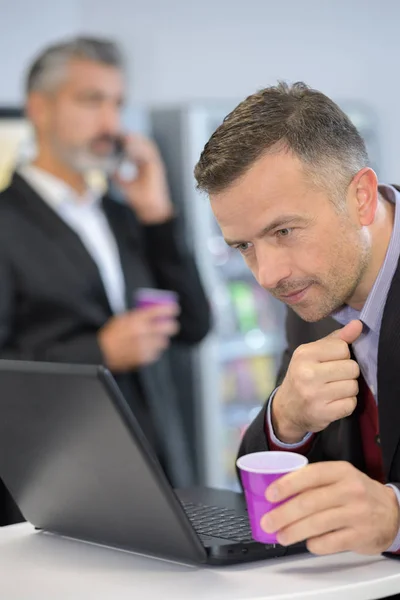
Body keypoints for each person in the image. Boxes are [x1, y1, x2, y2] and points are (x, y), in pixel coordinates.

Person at [0, 36, 211, 524]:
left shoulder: (122, 216)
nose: (111, 124)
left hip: (158, 468)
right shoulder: (6, 222)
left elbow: (196, 325)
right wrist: (99, 353)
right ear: (40, 108)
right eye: (91, 100)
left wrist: (158, 214)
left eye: (117, 103)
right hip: (56, 483)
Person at [194, 81, 400, 559]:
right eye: (244, 246)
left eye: (284, 231)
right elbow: (260, 491)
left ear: (362, 198)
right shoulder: (313, 288)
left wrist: (394, 517)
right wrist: (287, 418)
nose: (268, 276)